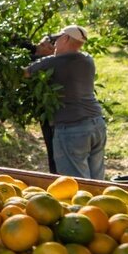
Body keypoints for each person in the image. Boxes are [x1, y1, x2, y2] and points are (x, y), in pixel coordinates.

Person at [24, 24, 107, 180]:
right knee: (97, 182)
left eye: (57, 39)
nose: (54, 43)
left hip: (72, 129)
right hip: (96, 124)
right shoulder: (88, 59)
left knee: (75, 184)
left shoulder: (54, 62)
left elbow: (24, 73)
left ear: (66, 38)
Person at [31, 33, 58, 173]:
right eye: (40, 43)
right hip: (45, 113)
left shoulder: (50, 64)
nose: (38, 47)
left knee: (56, 152)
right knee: (52, 150)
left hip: (53, 114)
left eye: (43, 46)